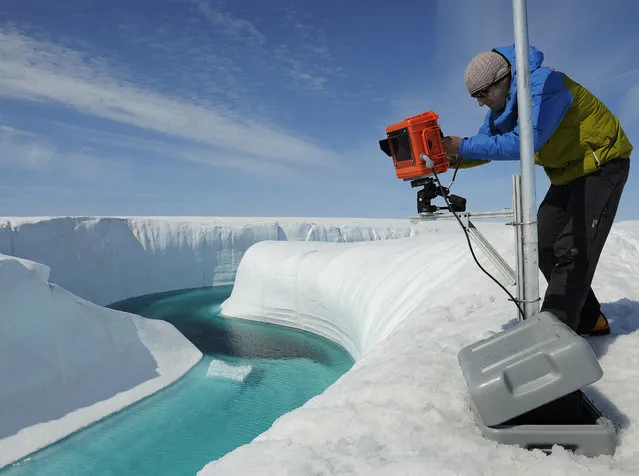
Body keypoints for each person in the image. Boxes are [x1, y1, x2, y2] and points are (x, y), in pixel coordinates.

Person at [442, 45, 632, 336]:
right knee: (543, 244)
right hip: (566, 174)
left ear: (503, 79)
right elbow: (484, 146)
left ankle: (553, 340)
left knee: (572, 248)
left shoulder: (545, 84)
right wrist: (444, 158)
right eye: (474, 96)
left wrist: (461, 145)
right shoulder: (501, 108)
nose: (480, 103)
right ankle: (588, 318)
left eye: (482, 93)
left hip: (601, 164)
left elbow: (524, 141)